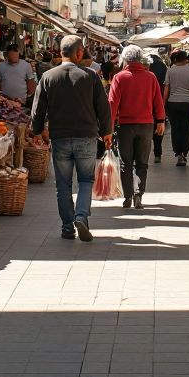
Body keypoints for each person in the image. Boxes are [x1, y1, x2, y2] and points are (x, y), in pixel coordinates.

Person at [30, 35, 112, 241]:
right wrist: (107, 132)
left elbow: (37, 110)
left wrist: (38, 130)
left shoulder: (48, 76)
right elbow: (104, 109)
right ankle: (81, 216)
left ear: (60, 53)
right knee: (85, 180)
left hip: (60, 138)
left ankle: (67, 227)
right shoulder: (91, 76)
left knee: (63, 185)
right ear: (79, 53)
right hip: (87, 137)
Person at [110, 45, 165, 210]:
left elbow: (112, 103)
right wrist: (161, 121)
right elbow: (158, 101)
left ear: (125, 59)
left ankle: (127, 196)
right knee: (142, 163)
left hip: (125, 127)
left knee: (125, 163)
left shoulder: (119, 77)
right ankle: (138, 195)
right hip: (146, 125)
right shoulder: (151, 77)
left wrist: (109, 126)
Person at [162, 50, 189, 166]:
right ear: (185, 59)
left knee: (175, 129)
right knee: (186, 129)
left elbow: (166, 89)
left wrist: (163, 103)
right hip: (187, 103)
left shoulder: (170, 71)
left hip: (172, 103)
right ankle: (184, 153)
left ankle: (178, 153)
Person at [147, 50, 168, 161]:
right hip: (159, 99)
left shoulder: (147, 70)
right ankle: (157, 153)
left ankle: (144, 153)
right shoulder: (163, 67)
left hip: (147, 101)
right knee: (159, 126)